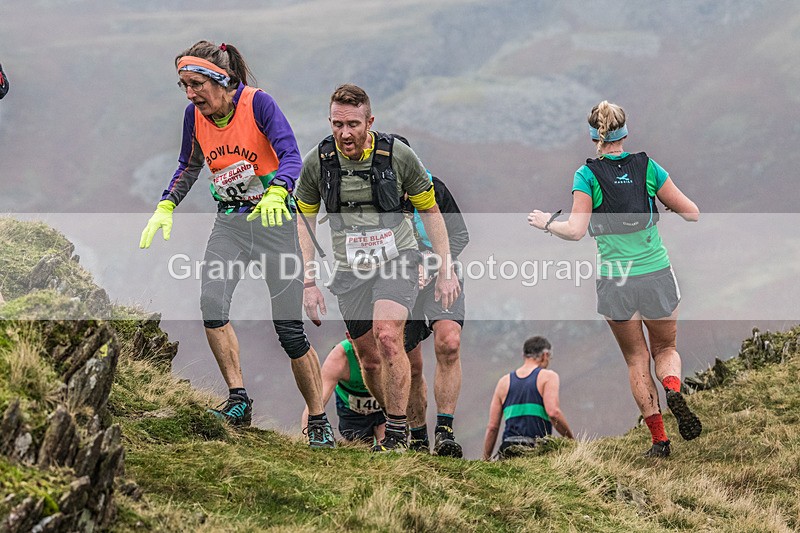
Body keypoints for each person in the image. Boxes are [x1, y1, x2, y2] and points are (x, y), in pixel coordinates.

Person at [138, 40, 334, 448]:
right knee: (212, 304)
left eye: (195, 84)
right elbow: (188, 165)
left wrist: (280, 190)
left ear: (221, 79)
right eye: (183, 85)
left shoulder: (258, 104)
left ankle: (318, 420)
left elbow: (291, 156)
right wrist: (165, 206)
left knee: (289, 331)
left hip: (275, 225)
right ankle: (238, 399)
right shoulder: (194, 117)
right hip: (230, 223)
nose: (190, 94)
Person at [527, 100, 702, 458]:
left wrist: (547, 223)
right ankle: (672, 387)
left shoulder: (586, 175)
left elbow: (576, 231)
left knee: (636, 359)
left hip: (615, 279)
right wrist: (662, 203)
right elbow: (692, 213)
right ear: (625, 131)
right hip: (656, 271)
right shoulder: (648, 167)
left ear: (594, 136)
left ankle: (659, 441)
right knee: (665, 350)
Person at [295, 84, 460, 452]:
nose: (345, 133)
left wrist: (445, 267)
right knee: (369, 362)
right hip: (350, 270)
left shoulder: (397, 156)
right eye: (337, 124)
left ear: (370, 121)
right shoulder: (318, 162)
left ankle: (399, 435)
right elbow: (303, 223)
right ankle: (396, 419)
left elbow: (431, 213)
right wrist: (308, 281)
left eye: (353, 124)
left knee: (388, 335)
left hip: (398, 258)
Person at [391, 135, 470, 457]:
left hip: (442, 275)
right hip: (397, 281)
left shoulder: (434, 187)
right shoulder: (378, 195)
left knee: (449, 342)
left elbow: (460, 235)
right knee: (410, 364)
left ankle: (445, 430)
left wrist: (437, 265)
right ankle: (419, 436)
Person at [483, 336, 574, 460]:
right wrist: (572, 441)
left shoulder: (503, 382)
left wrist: (485, 459)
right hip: (537, 449)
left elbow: (493, 427)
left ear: (524, 355)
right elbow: (553, 413)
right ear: (545, 355)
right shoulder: (548, 377)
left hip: (508, 450)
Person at [302, 335, 386, 444]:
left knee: (387, 448)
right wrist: (306, 438)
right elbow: (316, 401)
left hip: (384, 406)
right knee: (358, 451)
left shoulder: (389, 350)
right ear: (350, 337)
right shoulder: (338, 358)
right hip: (351, 409)